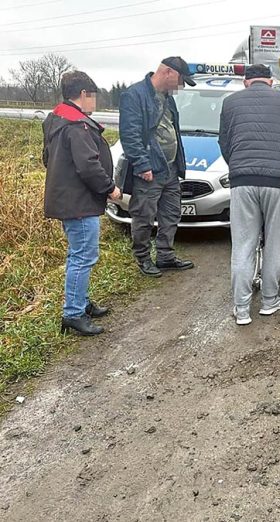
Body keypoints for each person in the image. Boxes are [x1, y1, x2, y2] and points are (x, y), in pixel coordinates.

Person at [218, 64, 280, 325]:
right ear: (271, 82)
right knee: (275, 244)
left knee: (243, 246)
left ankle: (241, 309)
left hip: (243, 182)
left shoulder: (230, 103)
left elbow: (224, 143)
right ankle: (270, 301)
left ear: (245, 82)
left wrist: (238, 167)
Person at [43, 71, 121, 336]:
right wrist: (110, 188)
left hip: (68, 199)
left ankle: (81, 302)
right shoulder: (76, 125)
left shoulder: (56, 120)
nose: (95, 103)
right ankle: (73, 314)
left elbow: (47, 159)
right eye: (94, 97)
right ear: (84, 94)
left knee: (77, 254)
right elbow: (88, 166)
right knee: (83, 256)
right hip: (79, 203)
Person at [119, 56, 195, 278]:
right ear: (168, 72)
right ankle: (143, 257)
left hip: (170, 168)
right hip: (149, 169)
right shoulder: (134, 95)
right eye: (180, 80)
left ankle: (165, 256)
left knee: (171, 214)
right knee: (144, 215)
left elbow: (173, 130)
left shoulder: (167, 99)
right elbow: (130, 135)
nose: (181, 86)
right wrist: (142, 164)